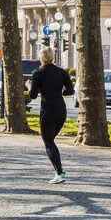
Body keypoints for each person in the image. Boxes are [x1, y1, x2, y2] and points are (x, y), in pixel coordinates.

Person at [28, 46, 74, 184]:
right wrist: (59, 93)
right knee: (50, 141)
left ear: (41, 58)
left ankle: (60, 173)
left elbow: (33, 95)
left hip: (47, 111)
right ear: (52, 56)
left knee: (48, 143)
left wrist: (29, 85)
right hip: (61, 110)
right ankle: (59, 170)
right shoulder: (62, 72)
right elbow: (70, 91)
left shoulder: (38, 73)